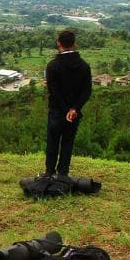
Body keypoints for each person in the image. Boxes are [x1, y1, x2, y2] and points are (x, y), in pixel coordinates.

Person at [44, 30, 92, 177]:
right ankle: (63, 173)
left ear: (59, 43)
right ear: (74, 44)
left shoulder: (52, 66)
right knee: (67, 143)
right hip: (74, 113)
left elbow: (54, 92)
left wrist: (65, 110)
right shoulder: (84, 66)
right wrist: (74, 109)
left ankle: (49, 172)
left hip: (57, 111)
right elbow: (87, 91)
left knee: (53, 142)